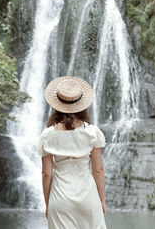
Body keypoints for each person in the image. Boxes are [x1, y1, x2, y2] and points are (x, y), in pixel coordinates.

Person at [37, 76, 107, 229]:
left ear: (56, 105)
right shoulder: (92, 132)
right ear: (81, 105)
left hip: (60, 198)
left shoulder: (47, 135)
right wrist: (102, 200)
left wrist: (49, 203)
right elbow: (98, 170)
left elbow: (46, 173)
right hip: (89, 197)